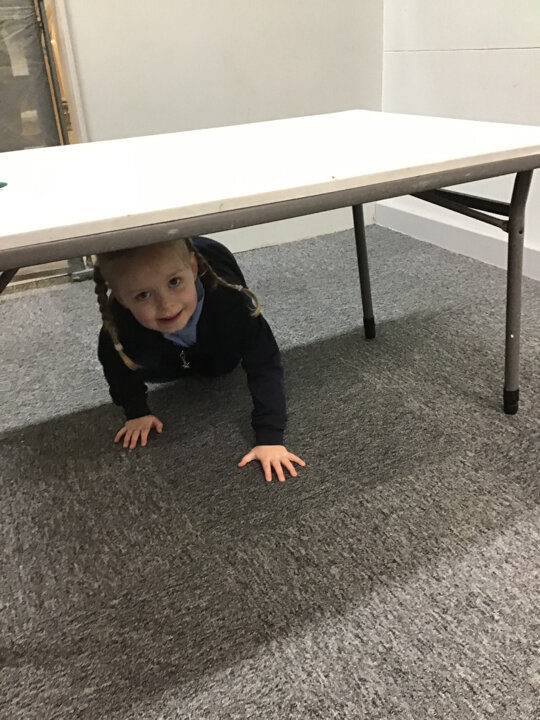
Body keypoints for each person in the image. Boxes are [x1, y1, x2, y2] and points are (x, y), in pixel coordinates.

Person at [94, 235, 305, 483]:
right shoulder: (118, 329)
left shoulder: (231, 304)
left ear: (193, 268)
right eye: (143, 295)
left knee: (222, 365)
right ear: (121, 300)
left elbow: (264, 362)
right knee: (148, 362)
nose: (166, 305)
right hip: (159, 348)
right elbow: (117, 369)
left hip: (217, 317)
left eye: (174, 282)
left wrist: (270, 437)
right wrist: (136, 411)